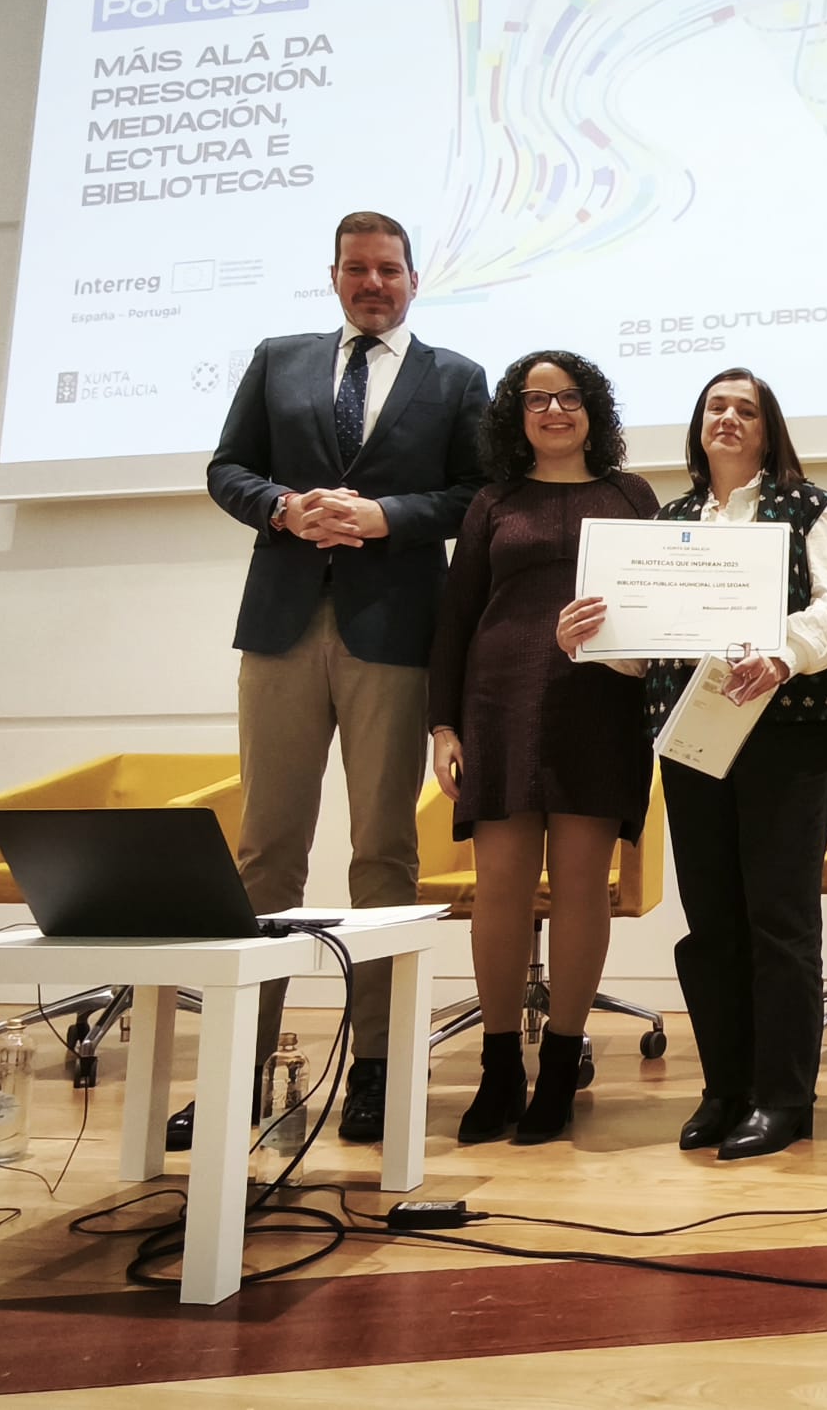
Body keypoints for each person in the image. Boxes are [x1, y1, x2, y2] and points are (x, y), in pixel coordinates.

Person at [199, 210, 487, 1148]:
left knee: (384, 856)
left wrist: (382, 515)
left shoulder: (456, 378)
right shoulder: (278, 358)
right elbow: (226, 468)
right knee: (265, 852)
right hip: (282, 626)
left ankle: (376, 1066)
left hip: (395, 634)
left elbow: (475, 497)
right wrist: (282, 506)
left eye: (390, 271)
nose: (374, 284)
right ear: (333, 278)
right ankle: (239, 1067)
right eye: (357, 270)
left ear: (413, 281)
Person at [558, 369, 827, 1160]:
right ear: (698, 427)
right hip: (693, 746)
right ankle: (726, 1089)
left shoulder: (806, 507)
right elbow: (648, 652)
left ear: (768, 428)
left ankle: (785, 1098)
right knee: (713, 925)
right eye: (715, 407)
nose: (728, 418)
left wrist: (785, 655)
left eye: (746, 409)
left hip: (785, 738)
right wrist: (591, 641)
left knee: (780, 926)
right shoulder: (671, 521)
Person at [426, 351, 658, 1144]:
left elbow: (660, 605)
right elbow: (455, 618)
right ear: (515, 415)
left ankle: (560, 1068)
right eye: (536, 400)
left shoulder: (633, 495)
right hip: (500, 705)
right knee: (500, 889)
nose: (553, 412)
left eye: (568, 397)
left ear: (593, 407)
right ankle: (499, 1071)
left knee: (585, 887)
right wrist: (442, 725)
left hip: (602, 707)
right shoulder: (493, 501)